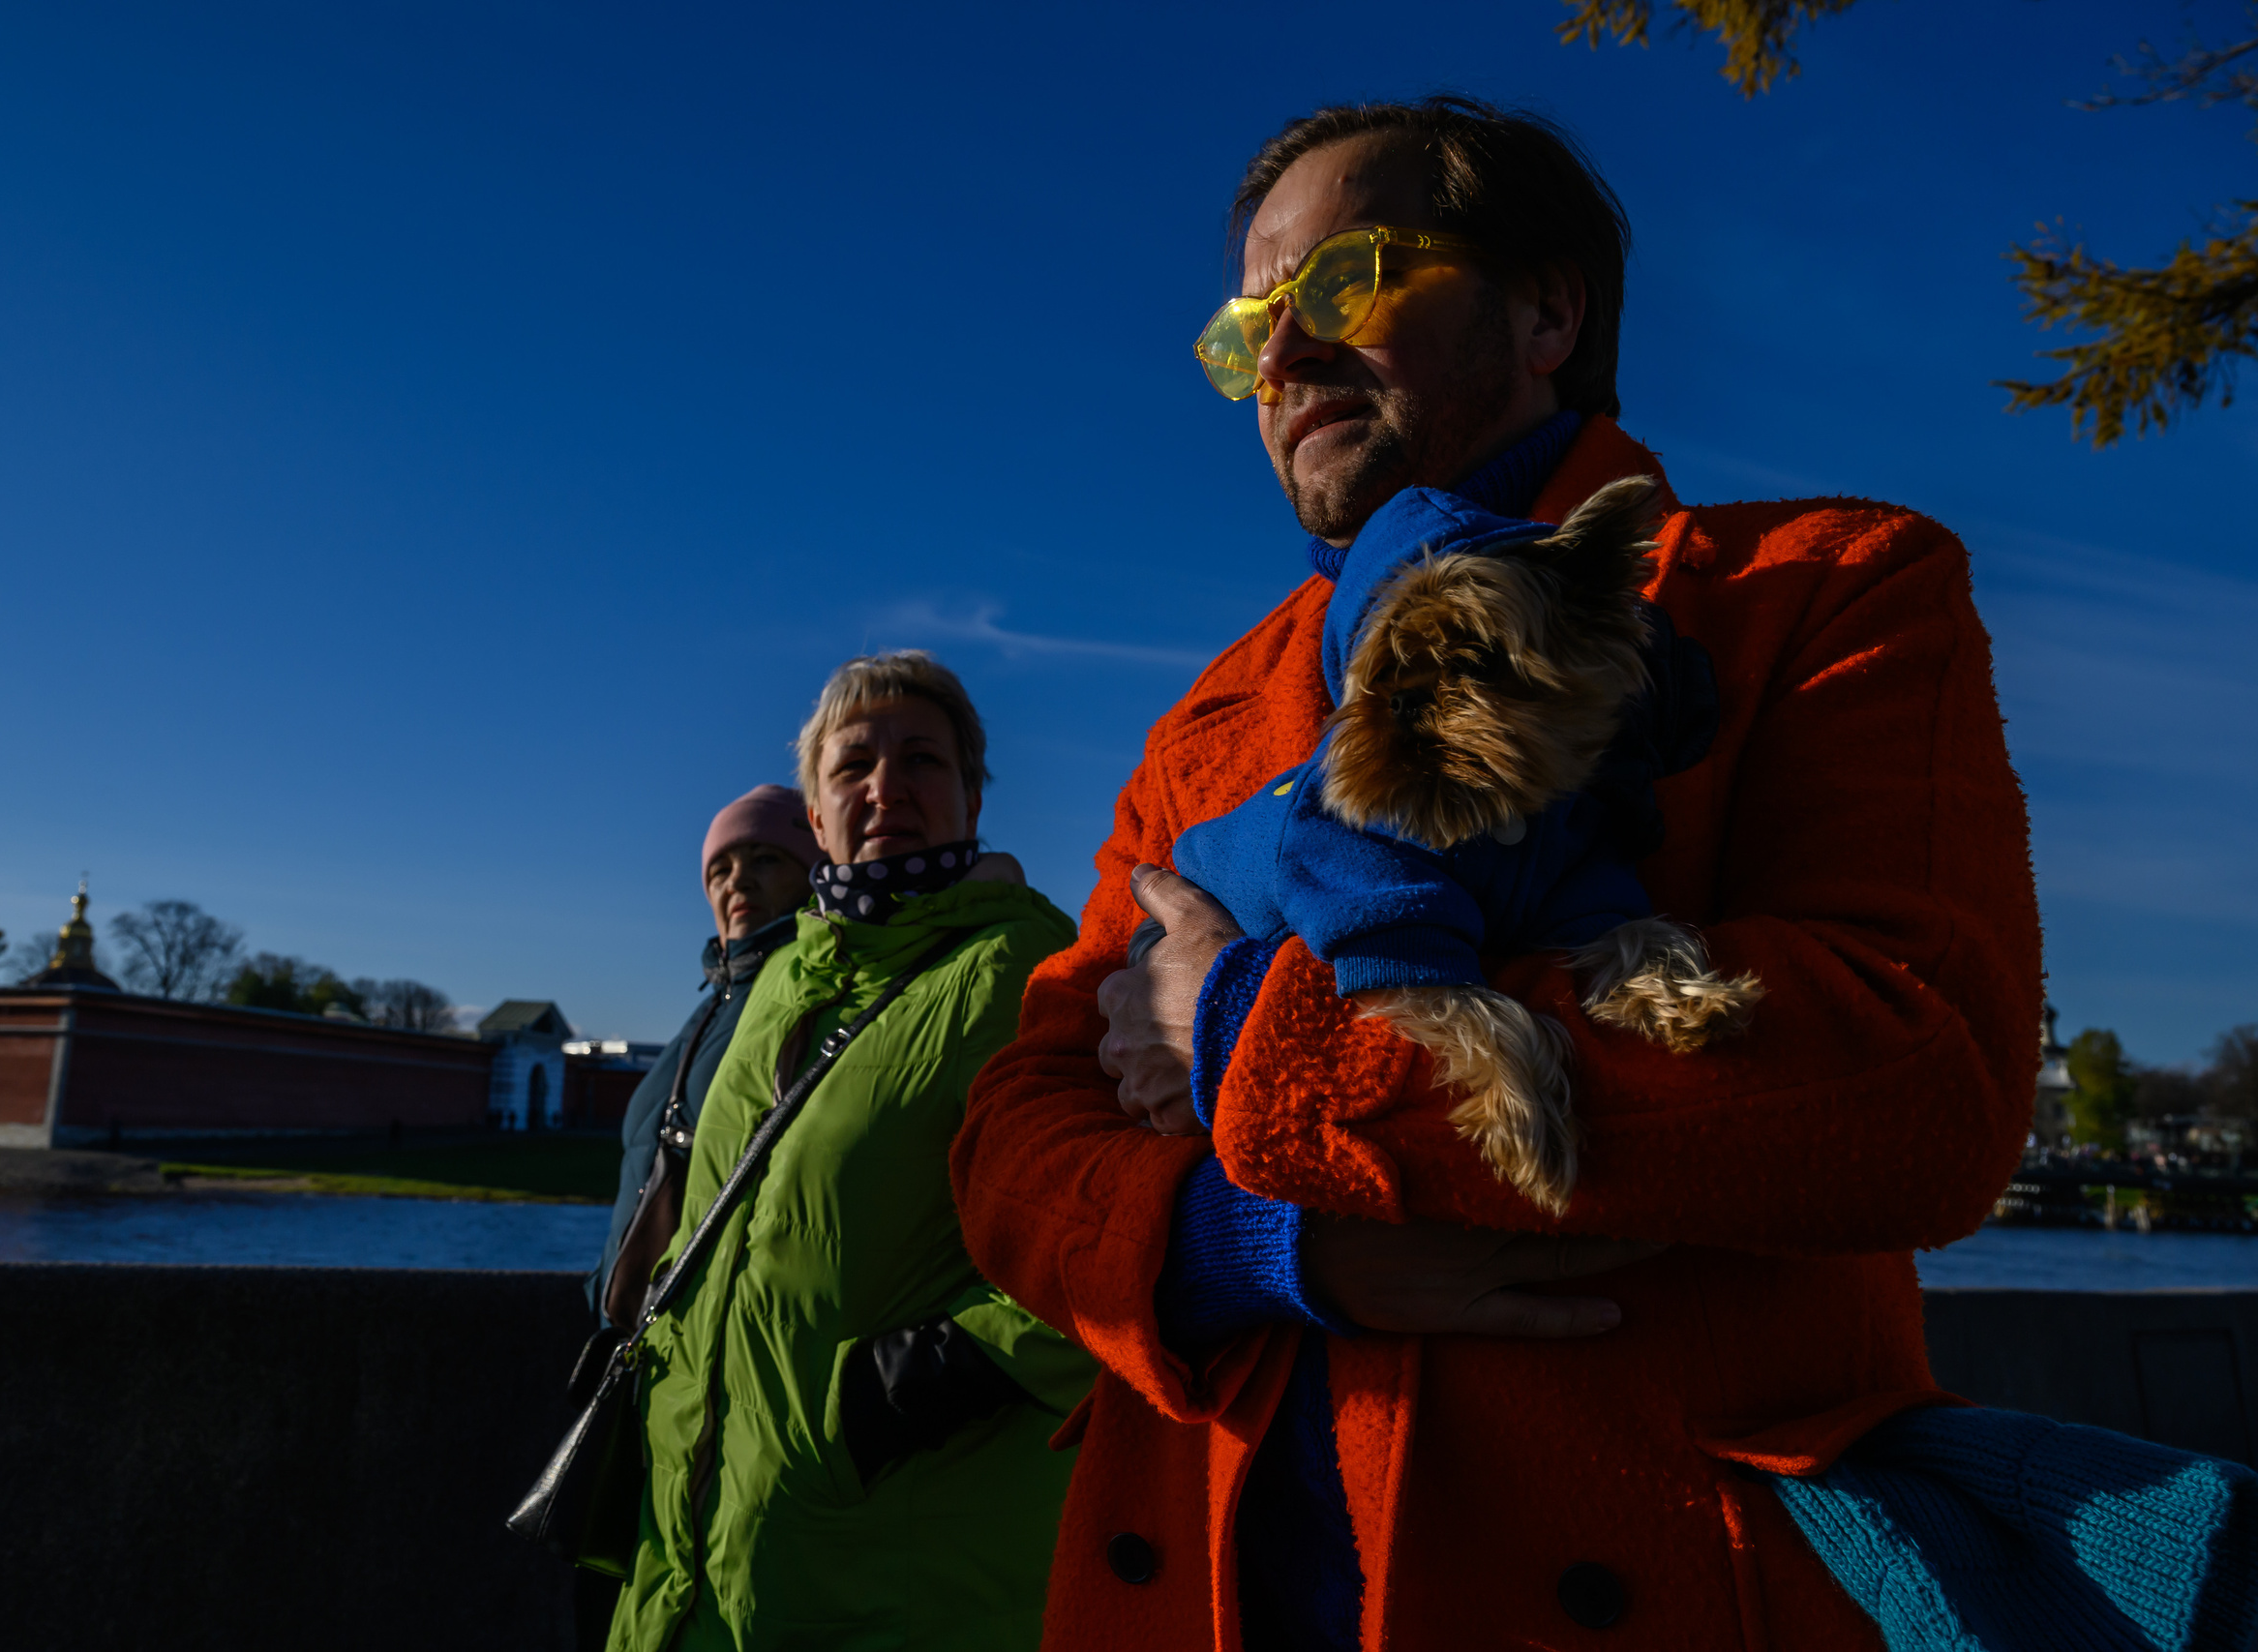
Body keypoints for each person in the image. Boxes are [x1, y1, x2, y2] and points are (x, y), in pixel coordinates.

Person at [951, 96, 2043, 1649]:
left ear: (1547, 309)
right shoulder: (1207, 716)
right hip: (1192, 1586)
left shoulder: (1826, 590)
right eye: (1246, 327)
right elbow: (1010, 1140)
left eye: (1345, 285)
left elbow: (1918, 1080)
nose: (1280, 358)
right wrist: (1261, 1243)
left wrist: (1256, 1036)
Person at [599, 650, 1096, 1651]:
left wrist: (903, 1390)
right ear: (817, 814)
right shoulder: (776, 987)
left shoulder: (1032, 974)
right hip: (697, 1557)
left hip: (897, 1574)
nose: (886, 788)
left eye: (922, 760)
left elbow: (1116, 1241)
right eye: (852, 764)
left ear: (970, 796)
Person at [584, 784, 818, 1330]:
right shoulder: (716, 1002)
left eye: (766, 859)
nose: (738, 880)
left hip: (706, 1331)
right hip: (637, 1333)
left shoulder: (805, 994)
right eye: (720, 868)